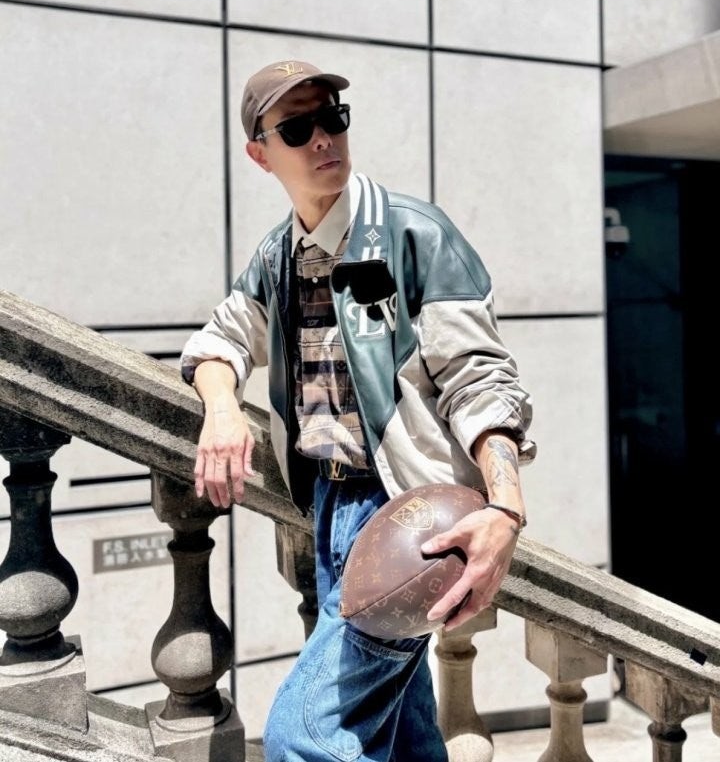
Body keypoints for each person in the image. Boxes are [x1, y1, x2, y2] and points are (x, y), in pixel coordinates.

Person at [180, 59, 536, 762]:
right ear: (260, 154)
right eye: (297, 128)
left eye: (332, 118)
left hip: (407, 522)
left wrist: (506, 507)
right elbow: (218, 341)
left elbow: (479, 378)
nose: (323, 138)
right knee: (403, 740)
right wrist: (221, 408)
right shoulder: (279, 258)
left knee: (302, 738)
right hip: (326, 510)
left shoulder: (414, 234)